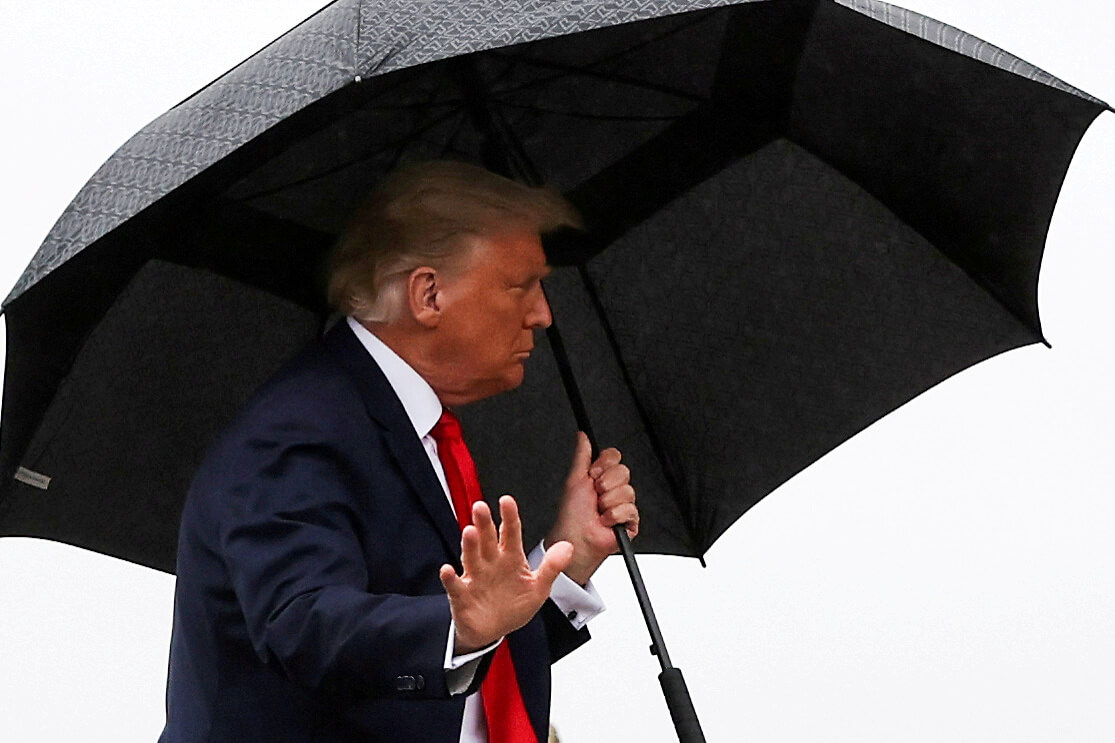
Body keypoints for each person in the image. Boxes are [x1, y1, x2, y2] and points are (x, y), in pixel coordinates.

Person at [159, 161, 639, 743]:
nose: (542, 313)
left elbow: (455, 678)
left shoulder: (405, 421)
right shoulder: (295, 430)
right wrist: (460, 629)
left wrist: (568, 556)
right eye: (519, 285)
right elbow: (303, 623)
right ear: (429, 294)